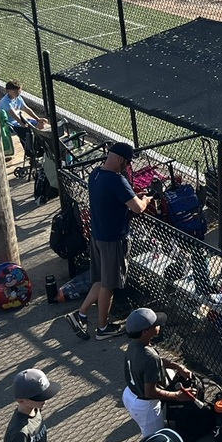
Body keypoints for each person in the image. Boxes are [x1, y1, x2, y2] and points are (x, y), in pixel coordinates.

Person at [66, 143, 152, 340]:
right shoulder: (117, 180)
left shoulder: (95, 174)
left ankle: (80, 314)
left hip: (97, 236)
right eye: (128, 162)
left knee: (101, 280)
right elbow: (138, 208)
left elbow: (112, 201)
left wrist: (130, 198)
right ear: (121, 160)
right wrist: (145, 199)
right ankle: (102, 328)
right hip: (113, 240)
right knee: (109, 285)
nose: (128, 166)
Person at [121, 308, 194, 437]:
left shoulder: (135, 344)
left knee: (150, 427)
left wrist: (178, 367)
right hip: (145, 405)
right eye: (155, 324)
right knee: (155, 440)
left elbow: (157, 360)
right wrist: (177, 395)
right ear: (145, 332)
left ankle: (155, 425)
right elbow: (150, 392)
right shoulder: (150, 358)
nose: (159, 325)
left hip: (129, 394)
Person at [4, 368, 61, 442]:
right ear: (21, 401)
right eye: (38, 397)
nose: (44, 400)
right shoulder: (19, 433)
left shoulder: (36, 411)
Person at [0, 80, 44, 163]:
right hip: (11, 124)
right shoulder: (5, 102)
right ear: (8, 91)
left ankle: (39, 147)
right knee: (26, 132)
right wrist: (22, 124)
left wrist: (38, 119)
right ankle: (31, 155)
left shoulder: (18, 98)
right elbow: (13, 115)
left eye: (19, 91)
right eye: (16, 91)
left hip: (20, 120)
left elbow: (26, 109)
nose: (18, 93)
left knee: (40, 125)